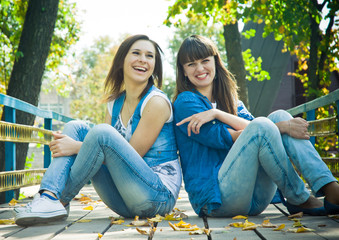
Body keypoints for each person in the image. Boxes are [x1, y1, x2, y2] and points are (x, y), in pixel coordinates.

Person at [14, 34, 182, 226]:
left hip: (156, 198)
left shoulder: (156, 102)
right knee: (75, 127)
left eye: (149, 56)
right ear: (122, 61)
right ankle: (49, 196)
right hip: (123, 200)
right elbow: (106, 158)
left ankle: (57, 200)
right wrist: (80, 146)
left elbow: (132, 154)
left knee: (101, 133)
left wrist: (77, 147)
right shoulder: (114, 103)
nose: (143, 59)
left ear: (154, 65)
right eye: (136, 53)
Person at [173, 34, 339, 218]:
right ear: (184, 71)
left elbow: (258, 129)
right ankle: (300, 198)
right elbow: (233, 136)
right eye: (191, 64)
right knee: (272, 124)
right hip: (216, 200)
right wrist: (281, 127)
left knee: (280, 116)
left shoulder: (231, 101)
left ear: (215, 62)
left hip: (255, 198)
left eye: (205, 60)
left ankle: (330, 187)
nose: (200, 68)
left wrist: (217, 113)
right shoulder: (185, 102)